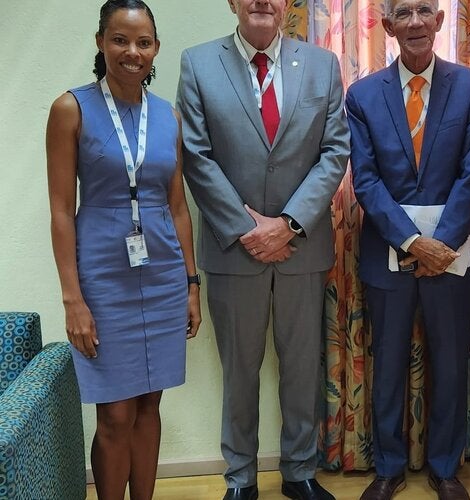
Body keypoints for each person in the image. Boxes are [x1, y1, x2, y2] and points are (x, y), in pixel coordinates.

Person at [176, 0, 349, 498]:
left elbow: (335, 150)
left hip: (301, 250)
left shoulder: (321, 64)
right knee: (240, 369)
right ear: (232, 2)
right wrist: (246, 228)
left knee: (301, 366)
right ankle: (240, 479)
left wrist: (289, 224)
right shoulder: (197, 62)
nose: (262, 2)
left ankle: (299, 472)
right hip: (234, 251)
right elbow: (197, 155)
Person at [46, 1, 201, 499]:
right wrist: (73, 299)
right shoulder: (71, 108)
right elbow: (59, 211)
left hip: (162, 276)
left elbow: (178, 207)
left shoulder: (167, 116)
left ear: (155, 49)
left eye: (143, 42)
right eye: (120, 39)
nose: (132, 52)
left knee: (150, 405)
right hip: (103, 277)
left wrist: (191, 285)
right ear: (100, 42)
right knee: (115, 412)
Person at [346, 0, 470, 498]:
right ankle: (387, 467)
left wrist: (441, 245)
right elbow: (365, 179)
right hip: (389, 251)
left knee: (450, 361)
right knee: (386, 363)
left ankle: (445, 467)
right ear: (387, 25)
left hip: (453, 255)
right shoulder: (362, 95)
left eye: (424, 10)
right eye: (403, 12)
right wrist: (411, 242)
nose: (414, 22)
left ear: (440, 20)